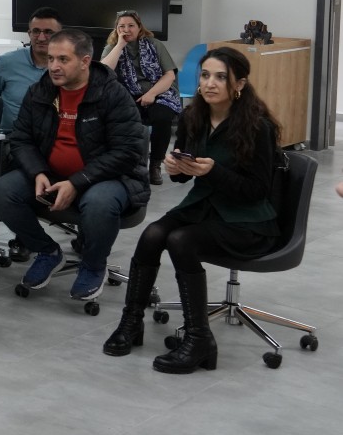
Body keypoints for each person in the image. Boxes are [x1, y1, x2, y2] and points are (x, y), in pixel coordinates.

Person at [104, 47, 284, 373]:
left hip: (247, 220)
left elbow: (257, 190)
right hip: (203, 207)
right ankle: (131, 322)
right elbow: (185, 174)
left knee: (181, 240)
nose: (210, 83)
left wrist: (213, 172)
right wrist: (176, 168)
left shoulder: (258, 126)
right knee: (152, 235)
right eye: (205, 75)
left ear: (239, 84)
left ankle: (199, 339)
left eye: (220, 77)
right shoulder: (193, 117)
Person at [0, 29, 149, 301]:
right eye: (51, 59)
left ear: (85, 61)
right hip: (52, 174)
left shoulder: (112, 94)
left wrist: (77, 182)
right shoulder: (39, 91)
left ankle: (93, 265)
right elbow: (21, 139)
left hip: (108, 179)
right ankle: (47, 251)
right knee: (3, 191)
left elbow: (127, 151)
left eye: (63, 59)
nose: (54, 66)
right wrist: (37, 172)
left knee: (99, 202)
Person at [101, 10, 182, 185]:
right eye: (121, 26)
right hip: (128, 95)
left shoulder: (155, 44)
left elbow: (169, 75)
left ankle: (155, 164)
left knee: (162, 117)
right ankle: (133, 164)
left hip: (160, 92)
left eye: (131, 25)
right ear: (116, 29)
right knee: (126, 120)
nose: (126, 30)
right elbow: (103, 72)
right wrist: (119, 46)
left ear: (139, 27)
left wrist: (151, 94)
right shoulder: (112, 47)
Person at [0, 6, 62, 131]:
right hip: (13, 137)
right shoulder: (7, 62)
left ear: (60, 35)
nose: (41, 38)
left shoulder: (69, 66)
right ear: (29, 34)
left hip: (55, 137)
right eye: (36, 31)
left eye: (48, 32)